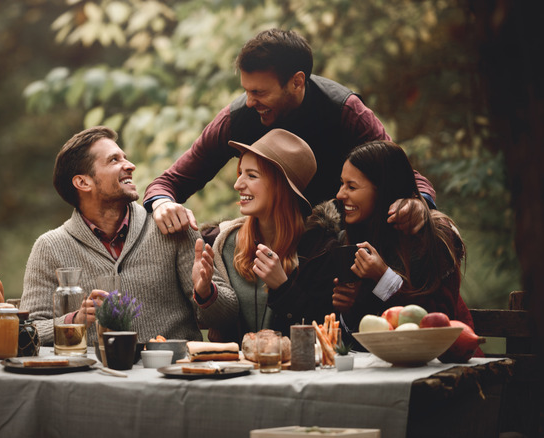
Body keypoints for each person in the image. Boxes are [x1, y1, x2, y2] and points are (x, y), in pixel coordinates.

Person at [144, 28, 434, 236]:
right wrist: (162, 204)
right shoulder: (236, 119)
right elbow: (168, 183)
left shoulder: (345, 111)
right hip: (273, 244)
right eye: (245, 90)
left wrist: (417, 204)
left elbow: (410, 179)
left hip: (344, 243)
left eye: (259, 92)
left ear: (297, 82)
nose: (249, 101)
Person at [19, 126, 203, 345]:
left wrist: (206, 293)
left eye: (124, 157)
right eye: (114, 160)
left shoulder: (172, 224)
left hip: (171, 374)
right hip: (94, 376)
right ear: (83, 182)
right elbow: (27, 331)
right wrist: (75, 320)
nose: (130, 165)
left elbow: (225, 315)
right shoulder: (49, 247)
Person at [191, 129, 334, 343]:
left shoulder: (320, 249)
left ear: (281, 186)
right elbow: (220, 322)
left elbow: (324, 333)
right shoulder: (222, 244)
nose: (238, 184)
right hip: (234, 373)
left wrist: (284, 288)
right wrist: (205, 293)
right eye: (240, 173)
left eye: (251, 175)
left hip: (294, 372)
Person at [321, 140, 474, 337]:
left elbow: (437, 320)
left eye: (351, 187)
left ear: (382, 189)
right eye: (342, 184)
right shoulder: (351, 237)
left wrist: (383, 277)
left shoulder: (436, 235)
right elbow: (362, 335)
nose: (340, 194)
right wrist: (350, 308)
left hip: (445, 360)